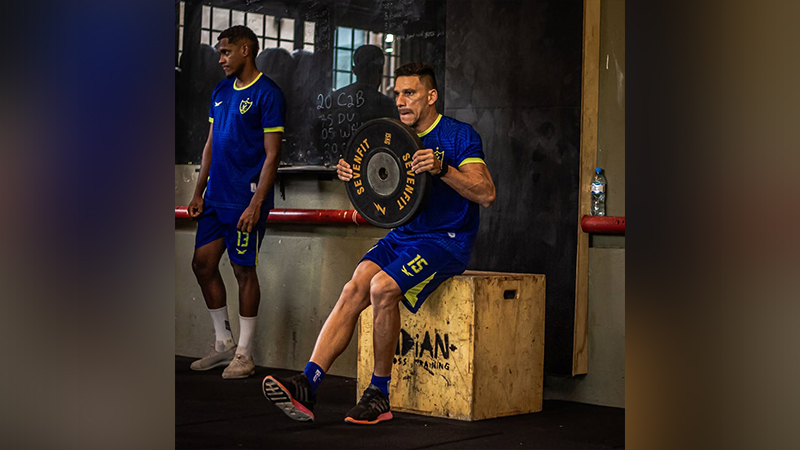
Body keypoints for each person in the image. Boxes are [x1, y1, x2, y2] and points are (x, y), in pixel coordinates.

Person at [262, 63, 496, 423]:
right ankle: (308, 383)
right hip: (404, 236)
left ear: (431, 96)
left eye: (411, 93)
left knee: (382, 288)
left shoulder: (458, 136)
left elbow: (486, 193)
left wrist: (442, 167)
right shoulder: (393, 137)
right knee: (354, 287)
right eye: (398, 93)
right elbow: (380, 192)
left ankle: (379, 394)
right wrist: (353, 176)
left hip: (446, 240)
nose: (401, 101)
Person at [187, 25, 286, 379]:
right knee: (202, 264)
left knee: (243, 270)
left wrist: (257, 202)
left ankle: (244, 354)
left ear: (246, 50)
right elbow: (211, 144)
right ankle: (223, 342)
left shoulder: (268, 94)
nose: (220, 59)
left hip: (245, 201)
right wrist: (198, 191)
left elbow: (272, 156)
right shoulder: (220, 91)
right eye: (219, 53)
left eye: (226, 52)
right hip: (215, 197)